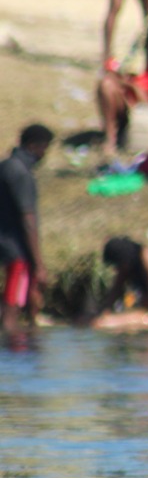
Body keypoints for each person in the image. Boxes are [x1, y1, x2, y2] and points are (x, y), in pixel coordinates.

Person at [0, 124, 52, 333]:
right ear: (33, 146)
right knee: (13, 306)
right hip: (16, 250)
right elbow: (28, 218)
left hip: (3, 242)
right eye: (44, 148)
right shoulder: (21, 173)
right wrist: (39, 264)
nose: (44, 154)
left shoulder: (5, 166)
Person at [98, 24, 148, 159]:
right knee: (106, 84)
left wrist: (133, 87)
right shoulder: (136, 59)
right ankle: (110, 138)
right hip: (128, 104)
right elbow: (113, 70)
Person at [95, 236, 148, 329]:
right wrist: (104, 310)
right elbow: (116, 290)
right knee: (95, 321)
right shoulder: (127, 264)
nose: (116, 270)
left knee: (104, 323)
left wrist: (134, 313)